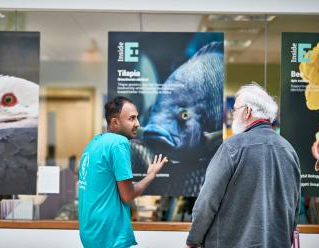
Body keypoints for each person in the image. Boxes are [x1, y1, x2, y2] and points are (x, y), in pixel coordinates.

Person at [185, 83, 301, 248]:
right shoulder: (289, 151)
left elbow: (207, 200)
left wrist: (193, 241)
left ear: (247, 111)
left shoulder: (232, 148)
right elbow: (294, 207)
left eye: (235, 110)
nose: (232, 115)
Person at [78, 96, 168, 248]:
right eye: (131, 118)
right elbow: (127, 195)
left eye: (137, 118)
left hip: (90, 235)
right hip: (109, 237)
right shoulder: (119, 143)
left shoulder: (94, 143)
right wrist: (151, 175)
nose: (138, 124)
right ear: (115, 122)